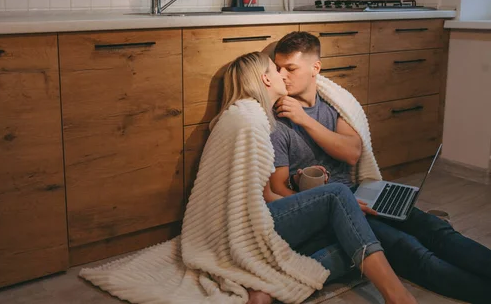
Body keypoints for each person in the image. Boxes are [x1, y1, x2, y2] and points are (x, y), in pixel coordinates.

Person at [269, 31, 491, 304]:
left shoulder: (333, 106)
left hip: (361, 191)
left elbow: (352, 153)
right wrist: (343, 204)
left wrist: (304, 119)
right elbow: (278, 188)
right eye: (278, 68)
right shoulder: (277, 123)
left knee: (436, 229)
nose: (281, 75)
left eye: (290, 68)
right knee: (411, 250)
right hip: (331, 210)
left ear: (315, 68)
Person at [210, 52, 417, 304]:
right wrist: (314, 202)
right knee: (338, 197)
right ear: (265, 79)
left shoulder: (247, 115)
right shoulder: (254, 121)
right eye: (276, 71)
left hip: (254, 220)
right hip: (252, 225)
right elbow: (264, 197)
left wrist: (307, 197)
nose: (282, 76)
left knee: (345, 237)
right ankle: (397, 296)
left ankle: (265, 289)